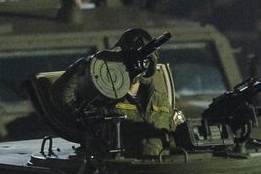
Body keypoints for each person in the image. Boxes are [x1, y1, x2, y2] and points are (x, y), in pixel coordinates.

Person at [52, 28, 183, 158]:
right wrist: (89, 64)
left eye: (144, 60)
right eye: (129, 58)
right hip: (116, 170)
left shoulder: (161, 102)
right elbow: (60, 97)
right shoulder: (100, 99)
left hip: (156, 171)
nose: (137, 64)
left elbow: (175, 142)